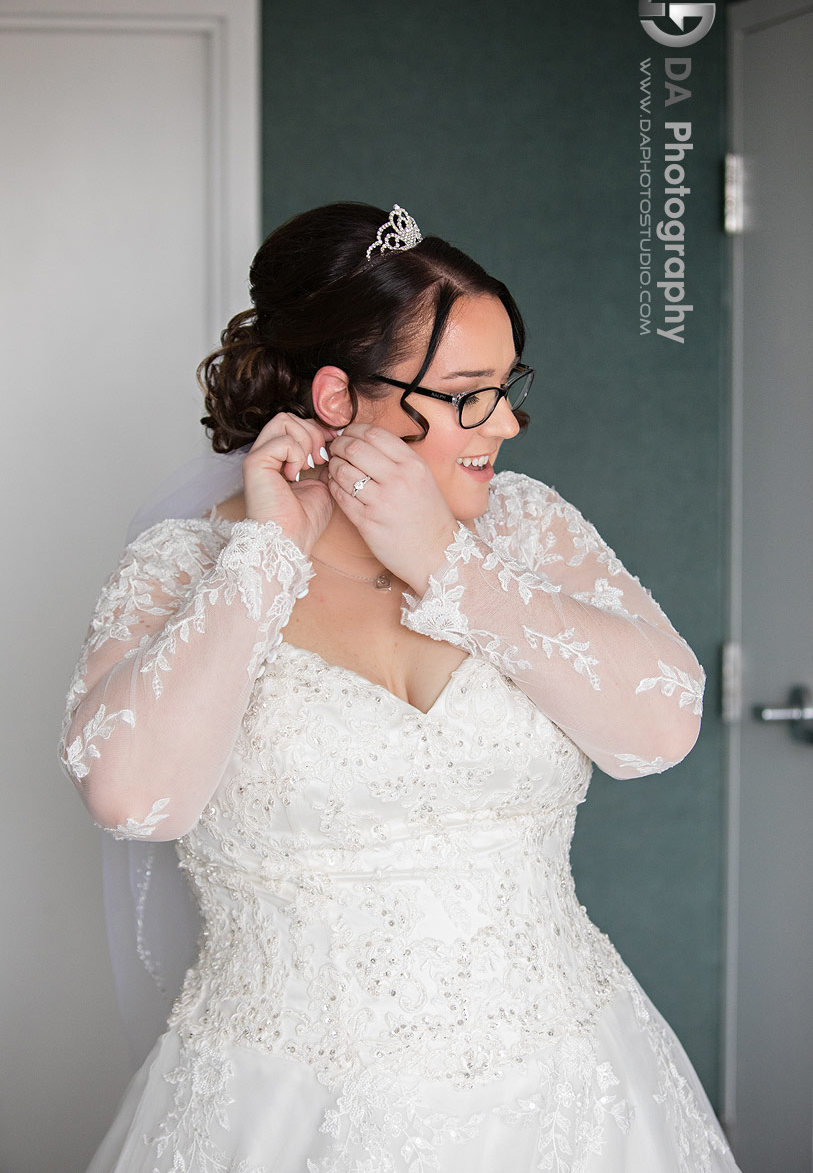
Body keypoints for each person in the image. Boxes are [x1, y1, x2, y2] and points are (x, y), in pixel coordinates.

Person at [59, 202, 741, 1172]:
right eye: (468, 392)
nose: (504, 422)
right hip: (279, 1103)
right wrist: (263, 556)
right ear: (338, 396)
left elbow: (660, 728)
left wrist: (446, 562)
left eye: (507, 387)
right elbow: (135, 800)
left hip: (572, 1091)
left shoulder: (526, 526)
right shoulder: (185, 564)